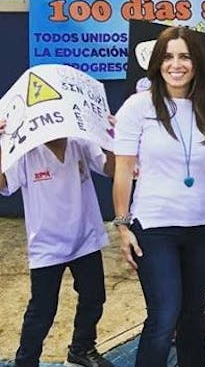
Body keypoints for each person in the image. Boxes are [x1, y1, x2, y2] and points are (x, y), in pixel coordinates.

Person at [112, 26, 205, 366]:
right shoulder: (137, 106)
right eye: (169, 56)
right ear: (158, 63)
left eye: (185, 57)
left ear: (196, 63)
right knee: (164, 316)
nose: (176, 65)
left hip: (204, 227)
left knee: (193, 316)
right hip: (155, 226)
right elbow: (122, 171)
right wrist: (122, 226)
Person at [0, 115, 115, 367]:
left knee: (94, 297)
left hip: (85, 237)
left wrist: (109, 139)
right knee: (41, 311)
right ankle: (26, 362)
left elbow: (110, 169)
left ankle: (81, 348)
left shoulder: (81, 141)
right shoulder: (26, 150)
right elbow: (4, 183)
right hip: (46, 244)